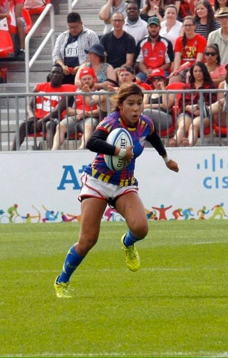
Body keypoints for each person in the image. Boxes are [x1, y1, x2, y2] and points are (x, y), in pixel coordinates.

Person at [53, 83, 179, 298]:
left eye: (139, 103)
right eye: (130, 104)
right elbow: (92, 142)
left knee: (141, 228)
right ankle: (62, 281)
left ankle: (127, 243)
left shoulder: (144, 123)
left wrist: (166, 159)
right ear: (120, 105)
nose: (136, 108)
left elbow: (153, 137)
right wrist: (119, 152)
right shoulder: (110, 122)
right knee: (87, 241)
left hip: (124, 184)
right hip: (98, 182)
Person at [12, 65, 75, 150]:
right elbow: (29, 105)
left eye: (58, 73)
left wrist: (42, 120)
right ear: (49, 75)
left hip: (52, 119)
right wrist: (31, 116)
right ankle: (13, 151)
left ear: (62, 77)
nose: (55, 75)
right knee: (23, 124)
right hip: (36, 119)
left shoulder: (67, 90)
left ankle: (49, 152)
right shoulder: (39, 87)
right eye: (53, 72)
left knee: (49, 124)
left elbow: (57, 111)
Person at [52, 68, 103, 150]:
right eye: (84, 79)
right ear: (81, 81)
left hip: (91, 118)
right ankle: (54, 149)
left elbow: (101, 111)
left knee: (88, 126)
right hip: (75, 117)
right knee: (60, 126)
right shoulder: (75, 92)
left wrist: (86, 114)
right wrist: (79, 112)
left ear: (94, 79)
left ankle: (82, 148)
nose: (86, 81)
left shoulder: (99, 93)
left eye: (89, 79)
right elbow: (68, 109)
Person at [171, 61, 215, 146]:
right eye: (195, 71)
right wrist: (189, 108)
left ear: (204, 72)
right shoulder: (187, 87)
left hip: (204, 114)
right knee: (183, 126)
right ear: (192, 73)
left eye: (200, 71)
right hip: (187, 112)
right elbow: (181, 103)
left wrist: (198, 108)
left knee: (194, 125)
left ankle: (189, 144)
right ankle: (175, 142)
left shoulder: (210, 86)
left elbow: (212, 102)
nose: (198, 73)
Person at [52, 12, 100, 85]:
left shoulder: (90, 35)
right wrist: (63, 66)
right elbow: (56, 55)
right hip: (66, 69)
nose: (73, 30)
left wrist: (81, 66)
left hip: (84, 68)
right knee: (53, 75)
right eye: (70, 27)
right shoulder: (62, 36)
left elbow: (95, 55)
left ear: (81, 23)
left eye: (76, 27)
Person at [135, 16, 174, 83]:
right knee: (137, 79)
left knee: (168, 79)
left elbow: (168, 63)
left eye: (155, 27)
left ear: (160, 28)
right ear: (147, 28)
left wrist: (157, 71)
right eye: (151, 27)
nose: (153, 29)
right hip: (146, 72)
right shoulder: (141, 42)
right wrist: (146, 71)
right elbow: (139, 62)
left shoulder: (166, 42)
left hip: (161, 71)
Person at [169, 16, 206, 83]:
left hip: (196, 68)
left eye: (190, 25)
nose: (187, 27)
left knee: (189, 78)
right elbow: (177, 57)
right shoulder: (179, 40)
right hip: (182, 68)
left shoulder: (201, 39)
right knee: (173, 80)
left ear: (194, 26)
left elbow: (199, 59)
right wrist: (176, 70)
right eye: (185, 25)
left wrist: (193, 71)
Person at [142, 68, 174, 134]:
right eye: (154, 79)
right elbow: (143, 106)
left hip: (166, 119)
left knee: (146, 112)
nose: (156, 81)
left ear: (164, 80)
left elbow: (166, 105)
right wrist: (159, 105)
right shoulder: (148, 93)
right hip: (150, 119)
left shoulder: (170, 92)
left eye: (159, 78)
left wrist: (163, 89)